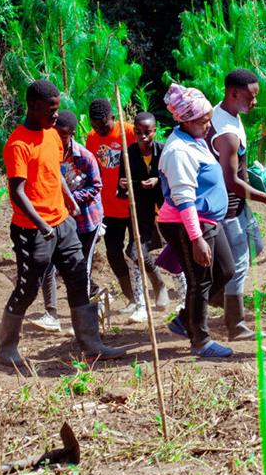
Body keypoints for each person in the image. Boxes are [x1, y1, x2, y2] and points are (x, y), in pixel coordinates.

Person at [0, 80, 123, 368]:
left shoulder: (52, 136)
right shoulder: (18, 144)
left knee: (79, 277)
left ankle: (91, 344)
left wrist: (70, 200)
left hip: (63, 222)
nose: (56, 115)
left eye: (57, 109)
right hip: (32, 229)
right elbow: (17, 191)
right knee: (28, 287)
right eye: (51, 110)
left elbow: (54, 172)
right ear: (33, 106)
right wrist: (41, 224)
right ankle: (7, 348)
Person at [158, 84, 237, 358]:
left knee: (225, 271)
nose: (208, 126)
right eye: (204, 122)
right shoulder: (178, 151)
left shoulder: (195, 140)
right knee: (200, 280)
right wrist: (196, 239)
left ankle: (185, 319)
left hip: (208, 221)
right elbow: (184, 199)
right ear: (186, 121)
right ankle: (200, 341)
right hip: (188, 223)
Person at [209, 70, 266, 340]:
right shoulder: (226, 132)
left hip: (240, 205)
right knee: (239, 264)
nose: (254, 102)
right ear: (233, 93)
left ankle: (215, 294)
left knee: (257, 246)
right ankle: (235, 324)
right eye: (250, 97)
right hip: (228, 207)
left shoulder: (228, 115)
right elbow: (231, 181)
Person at [32, 110, 105, 332]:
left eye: (62, 135)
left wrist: (70, 199)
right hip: (57, 220)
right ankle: (51, 314)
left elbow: (96, 186)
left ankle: (88, 309)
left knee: (81, 268)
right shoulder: (47, 153)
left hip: (85, 221)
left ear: (71, 134)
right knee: (49, 265)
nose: (58, 139)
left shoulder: (84, 157)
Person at [86, 98, 149, 314]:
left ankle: (154, 290)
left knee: (137, 251)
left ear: (112, 117)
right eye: (95, 126)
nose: (99, 130)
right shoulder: (92, 138)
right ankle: (131, 296)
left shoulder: (131, 132)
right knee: (113, 253)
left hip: (133, 204)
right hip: (109, 207)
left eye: (103, 125)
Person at [117, 112, 170, 314]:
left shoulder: (163, 151)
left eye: (147, 132)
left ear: (155, 131)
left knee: (175, 250)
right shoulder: (128, 154)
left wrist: (157, 179)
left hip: (165, 209)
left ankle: (184, 298)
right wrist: (124, 185)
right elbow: (122, 188)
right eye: (138, 133)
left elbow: (171, 178)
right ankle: (154, 288)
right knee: (134, 252)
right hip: (141, 210)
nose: (143, 137)